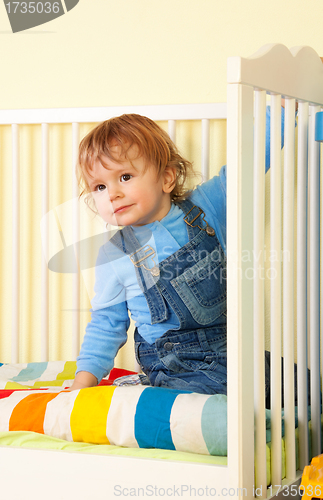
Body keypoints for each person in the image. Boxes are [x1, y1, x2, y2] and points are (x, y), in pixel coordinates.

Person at [70, 110, 279, 397]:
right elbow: (106, 324)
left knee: (300, 384)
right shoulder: (113, 255)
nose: (112, 194)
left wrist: (278, 113)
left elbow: (246, 169)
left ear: (167, 178)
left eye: (125, 176)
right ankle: (157, 394)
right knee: (220, 401)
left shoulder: (205, 209)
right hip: (174, 365)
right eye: (100, 186)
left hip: (229, 351)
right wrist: (82, 383)